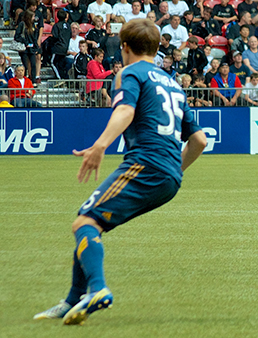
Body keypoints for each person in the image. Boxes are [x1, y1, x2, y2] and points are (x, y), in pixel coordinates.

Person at [32, 18, 207, 326]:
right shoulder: (173, 84)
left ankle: (97, 290)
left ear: (124, 48)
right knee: (91, 224)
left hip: (146, 164)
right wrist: (173, 171)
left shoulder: (130, 72)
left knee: (84, 223)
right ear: (156, 48)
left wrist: (100, 146)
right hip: (168, 176)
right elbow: (199, 140)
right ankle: (72, 300)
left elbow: (125, 110)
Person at [15, 10, 40, 81]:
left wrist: (36, 48)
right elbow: (17, 36)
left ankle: (33, 80)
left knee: (33, 65)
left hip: (31, 48)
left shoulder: (33, 26)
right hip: (24, 49)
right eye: (33, 16)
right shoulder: (22, 24)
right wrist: (25, 43)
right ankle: (25, 80)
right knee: (25, 66)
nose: (34, 18)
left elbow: (35, 38)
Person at [51, 10, 71, 80]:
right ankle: (63, 77)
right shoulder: (68, 26)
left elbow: (55, 36)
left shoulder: (56, 26)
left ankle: (59, 78)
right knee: (61, 64)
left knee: (53, 63)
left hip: (58, 48)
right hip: (65, 47)